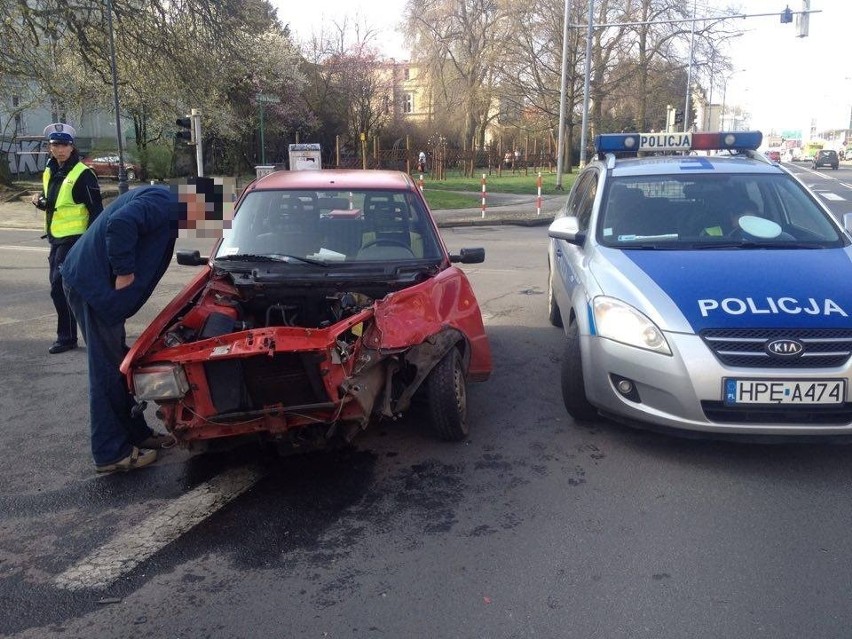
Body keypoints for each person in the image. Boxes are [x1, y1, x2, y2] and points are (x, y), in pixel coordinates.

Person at [60, 179, 221, 474]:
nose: (200, 226)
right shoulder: (165, 203)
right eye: (206, 219)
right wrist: (124, 272)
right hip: (94, 289)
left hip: (95, 287)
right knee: (106, 370)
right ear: (197, 204)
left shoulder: (167, 203)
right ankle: (111, 453)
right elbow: (121, 223)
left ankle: (137, 435)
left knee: (117, 365)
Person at [31, 123, 103, 354]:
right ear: (49, 147)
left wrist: (90, 244)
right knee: (74, 288)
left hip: (76, 241)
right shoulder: (51, 170)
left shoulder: (83, 174)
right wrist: (41, 202)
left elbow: (97, 212)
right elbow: (55, 203)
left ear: (72, 147)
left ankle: (68, 337)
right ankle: (97, 332)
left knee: (60, 288)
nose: (60, 149)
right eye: (55, 145)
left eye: (64, 145)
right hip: (56, 239)